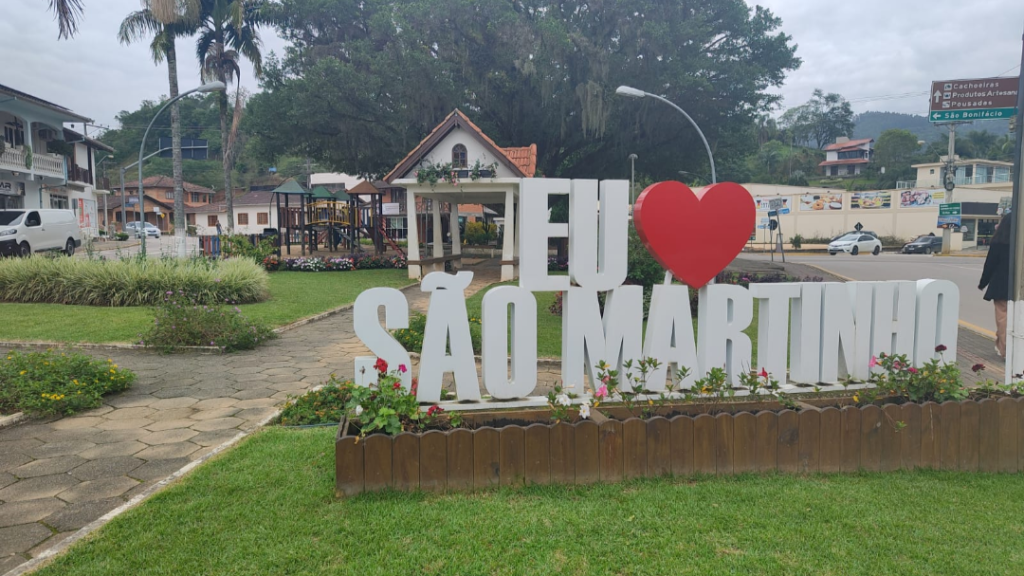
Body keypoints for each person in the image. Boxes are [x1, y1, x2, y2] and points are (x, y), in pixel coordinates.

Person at [979, 213, 1012, 358]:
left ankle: (1005, 350)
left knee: (1003, 318)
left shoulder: (998, 242)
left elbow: (990, 265)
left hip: (1001, 286)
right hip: (1020, 286)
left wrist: (983, 282)